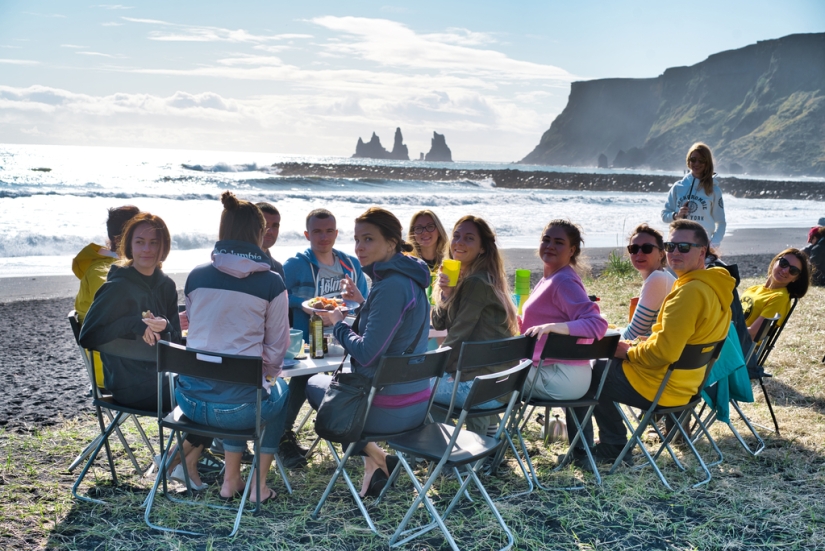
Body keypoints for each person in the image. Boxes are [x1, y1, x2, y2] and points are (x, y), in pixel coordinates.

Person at [577, 220, 735, 463]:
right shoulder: (715, 288)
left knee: (591, 370)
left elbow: (664, 353)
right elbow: (674, 343)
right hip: (688, 388)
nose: (674, 252)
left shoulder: (689, 293)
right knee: (601, 364)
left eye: (684, 247)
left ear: (702, 251)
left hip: (664, 388)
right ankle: (613, 441)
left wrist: (626, 352)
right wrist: (635, 346)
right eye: (671, 246)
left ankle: (612, 445)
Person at [79, 212, 211, 488]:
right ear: (129, 246)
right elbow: (88, 335)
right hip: (128, 383)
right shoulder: (116, 286)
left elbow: (175, 340)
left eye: (154, 242)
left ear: (164, 247)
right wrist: (134, 325)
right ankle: (178, 462)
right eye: (140, 242)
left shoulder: (165, 284)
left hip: (164, 377)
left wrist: (165, 326)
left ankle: (181, 461)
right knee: (210, 396)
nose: (147, 249)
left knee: (221, 389)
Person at [306, 207, 431, 498]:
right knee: (341, 391)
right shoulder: (408, 278)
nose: (359, 247)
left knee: (314, 384)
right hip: (414, 402)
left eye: (369, 239)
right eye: (357, 239)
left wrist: (337, 324)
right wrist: (358, 312)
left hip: (388, 408)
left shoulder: (391, 285)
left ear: (391, 243)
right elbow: (391, 334)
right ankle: (374, 466)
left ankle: (377, 456)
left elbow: (367, 354)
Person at [176, 191, 291, 503]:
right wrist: (267, 376)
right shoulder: (272, 283)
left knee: (235, 383)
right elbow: (277, 350)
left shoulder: (197, 276)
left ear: (222, 231)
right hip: (236, 408)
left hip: (189, 400)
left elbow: (196, 329)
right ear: (259, 232)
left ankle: (232, 480)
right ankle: (258, 486)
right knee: (270, 390)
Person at [280, 209, 369, 468]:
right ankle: (283, 437)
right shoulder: (295, 264)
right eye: (317, 231)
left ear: (337, 233)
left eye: (329, 231)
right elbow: (276, 297)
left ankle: (354, 437)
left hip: (346, 339)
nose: (323, 237)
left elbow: (364, 303)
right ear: (307, 234)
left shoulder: (350, 264)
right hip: (309, 342)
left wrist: (349, 305)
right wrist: (302, 305)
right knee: (302, 378)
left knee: (355, 379)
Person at [430, 215, 520, 435]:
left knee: (419, 388)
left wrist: (433, 367)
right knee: (434, 380)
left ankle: (445, 448)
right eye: (456, 236)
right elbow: (439, 322)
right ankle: (482, 440)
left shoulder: (476, 282)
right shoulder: (480, 278)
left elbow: (458, 334)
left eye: (469, 238)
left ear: (482, 248)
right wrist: (446, 293)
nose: (459, 242)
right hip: (500, 384)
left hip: (484, 387)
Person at [520, 220, 608, 404]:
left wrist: (554, 327)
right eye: (546, 240)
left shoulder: (563, 281)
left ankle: (488, 431)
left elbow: (597, 324)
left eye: (559, 242)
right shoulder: (551, 278)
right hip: (557, 371)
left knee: (489, 374)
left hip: (560, 375)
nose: (550, 246)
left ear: (572, 250)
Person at [73, 205, 140, 389]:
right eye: (140, 238)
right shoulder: (104, 274)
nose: (147, 246)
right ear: (119, 239)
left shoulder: (114, 269)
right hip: (116, 373)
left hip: (124, 364)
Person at [661, 142, 726, 250]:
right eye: (693, 159)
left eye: (701, 160)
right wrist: (677, 215)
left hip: (701, 246)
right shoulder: (678, 187)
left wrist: (714, 244)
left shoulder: (714, 190)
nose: (697, 163)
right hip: (678, 245)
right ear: (688, 161)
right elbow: (664, 215)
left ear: (707, 162)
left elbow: (721, 222)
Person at [620, 224, 676, 340]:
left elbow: (634, 334)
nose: (639, 253)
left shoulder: (657, 279)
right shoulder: (664, 275)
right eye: (634, 249)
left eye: (647, 248)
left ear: (661, 254)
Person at [740, 248, 811, 340]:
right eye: (784, 263)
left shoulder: (780, 297)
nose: (785, 270)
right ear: (775, 261)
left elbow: (753, 334)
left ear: (796, 278)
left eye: (793, 271)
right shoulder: (753, 288)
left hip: (738, 348)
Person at [407, 209, 449, 301]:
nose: (424, 232)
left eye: (430, 226)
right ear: (412, 233)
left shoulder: (450, 261)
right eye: (419, 228)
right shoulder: (407, 262)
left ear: (439, 231)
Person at [255, 201, 285, 280]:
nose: (270, 231)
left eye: (275, 226)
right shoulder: (234, 262)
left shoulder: (278, 268)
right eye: (265, 225)